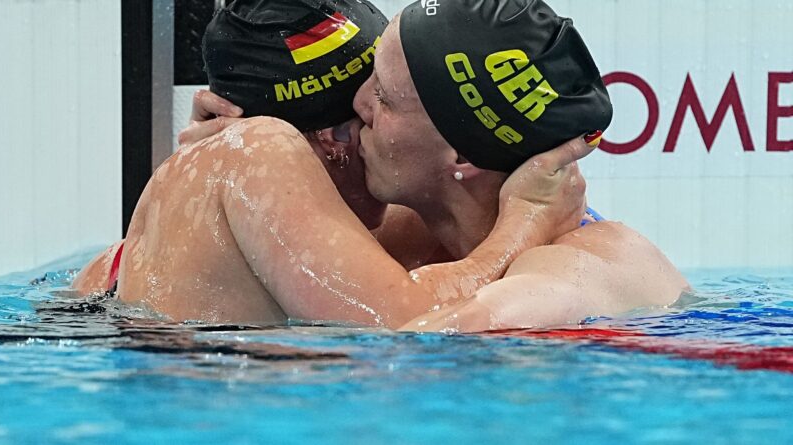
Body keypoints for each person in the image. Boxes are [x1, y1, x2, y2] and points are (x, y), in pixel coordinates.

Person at [72, 0, 593, 328]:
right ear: (320, 138)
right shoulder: (263, 148)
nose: (369, 143)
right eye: (359, 122)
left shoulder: (127, 254)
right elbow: (407, 322)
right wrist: (524, 224)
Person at [184, 0, 689, 332]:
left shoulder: (577, 268)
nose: (358, 106)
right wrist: (214, 183)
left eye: (383, 96)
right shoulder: (418, 238)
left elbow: (421, 340)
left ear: (463, 154)